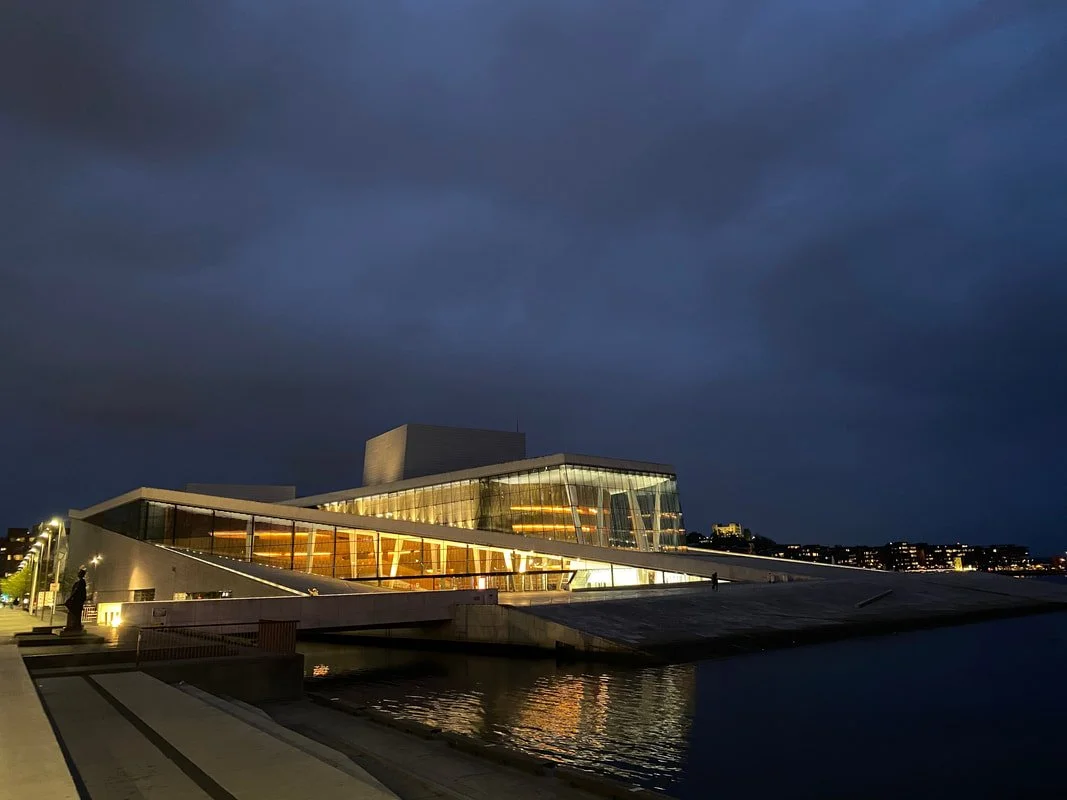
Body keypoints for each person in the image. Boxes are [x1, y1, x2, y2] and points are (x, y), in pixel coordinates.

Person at [63, 568, 88, 633]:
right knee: (76, 613)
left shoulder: (81, 582)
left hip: (77, 601)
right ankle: (75, 625)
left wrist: (70, 598)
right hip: (78, 600)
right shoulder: (80, 582)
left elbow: (76, 591)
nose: (78, 573)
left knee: (75, 612)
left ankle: (74, 625)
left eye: (79, 572)